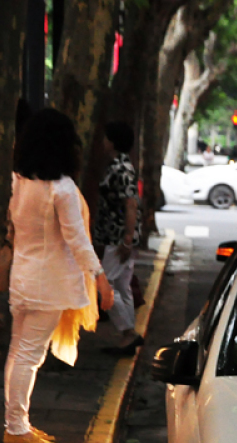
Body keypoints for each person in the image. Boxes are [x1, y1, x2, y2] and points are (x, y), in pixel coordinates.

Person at [5, 108, 113, 443]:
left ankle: (16, 422)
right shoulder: (62, 188)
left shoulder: (18, 181)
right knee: (29, 356)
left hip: (21, 276)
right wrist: (99, 276)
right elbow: (77, 239)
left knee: (18, 352)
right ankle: (16, 426)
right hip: (49, 283)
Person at [95, 121, 142, 356]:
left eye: (106, 138)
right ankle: (128, 333)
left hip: (118, 236)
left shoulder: (120, 169)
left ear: (112, 141)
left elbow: (130, 204)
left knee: (105, 284)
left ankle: (127, 332)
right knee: (122, 285)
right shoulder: (121, 166)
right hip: (119, 236)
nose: (103, 142)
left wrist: (126, 238)